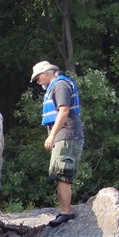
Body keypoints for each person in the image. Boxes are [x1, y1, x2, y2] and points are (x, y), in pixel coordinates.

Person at [30, 60, 84, 227]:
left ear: (46, 73)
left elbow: (64, 110)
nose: (38, 82)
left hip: (67, 134)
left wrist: (52, 135)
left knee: (62, 173)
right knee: (59, 172)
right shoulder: (57, 86)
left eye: (38, 78)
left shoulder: (60, 85)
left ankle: (66, 213)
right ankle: (64, 211)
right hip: (64, 135)